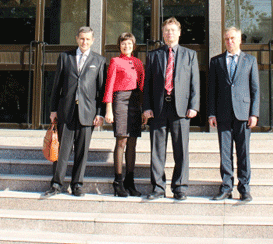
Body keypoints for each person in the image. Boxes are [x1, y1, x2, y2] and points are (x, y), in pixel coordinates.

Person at [43, 26, 107, 198]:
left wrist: (100, 113)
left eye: (88, 39)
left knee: (81, 152)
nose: (84, 42)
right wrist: (53, 109)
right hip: (66, 112)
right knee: (62, 151)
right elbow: (56, 86)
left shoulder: (99, 60)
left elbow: (101, 90)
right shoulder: (65, 57)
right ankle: (56, 185)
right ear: (77, 39)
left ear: (93, 41)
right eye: (82, 38)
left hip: (88, 114)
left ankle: (77, 184)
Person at [142, 17, 200, 200]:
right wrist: (146, 107)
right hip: (158, 108)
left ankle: (180, 188)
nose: (169, 33)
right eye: (166, 30)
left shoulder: (190, 55)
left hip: (181, 109)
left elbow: (195, 82)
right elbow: (147, 84)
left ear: (179, 33)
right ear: (163, 33)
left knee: (181, 150)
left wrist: (194, 106)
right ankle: (158, 188)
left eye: (173, 30)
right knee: (157, 151)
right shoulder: (153, 55)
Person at [207, 27, 259, 202]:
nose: (229, 41)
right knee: (225, 153)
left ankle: (244, 188)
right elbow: (211, 90)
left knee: (243, 153)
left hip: (243, 115)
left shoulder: (250, 60)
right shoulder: (216, 61)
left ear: (240, 40)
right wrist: (211, 113)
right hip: (222, 114)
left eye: (233, 38)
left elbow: (255, 90)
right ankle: (226, 187)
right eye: (227, 39)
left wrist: (254, 113)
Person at [103, 32, 145, 197]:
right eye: (123, 43)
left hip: (135, 101)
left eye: (129, 43)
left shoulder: (138, 62)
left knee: (132, 142)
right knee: (122, 140)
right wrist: (108, 108)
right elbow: (109, 85)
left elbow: (142, 86)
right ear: (119, 46)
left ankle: (130, 181)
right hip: (120, 100)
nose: (126, 46)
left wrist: (144, 109)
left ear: (133, 46)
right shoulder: (115, 61)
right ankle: (118, 182)